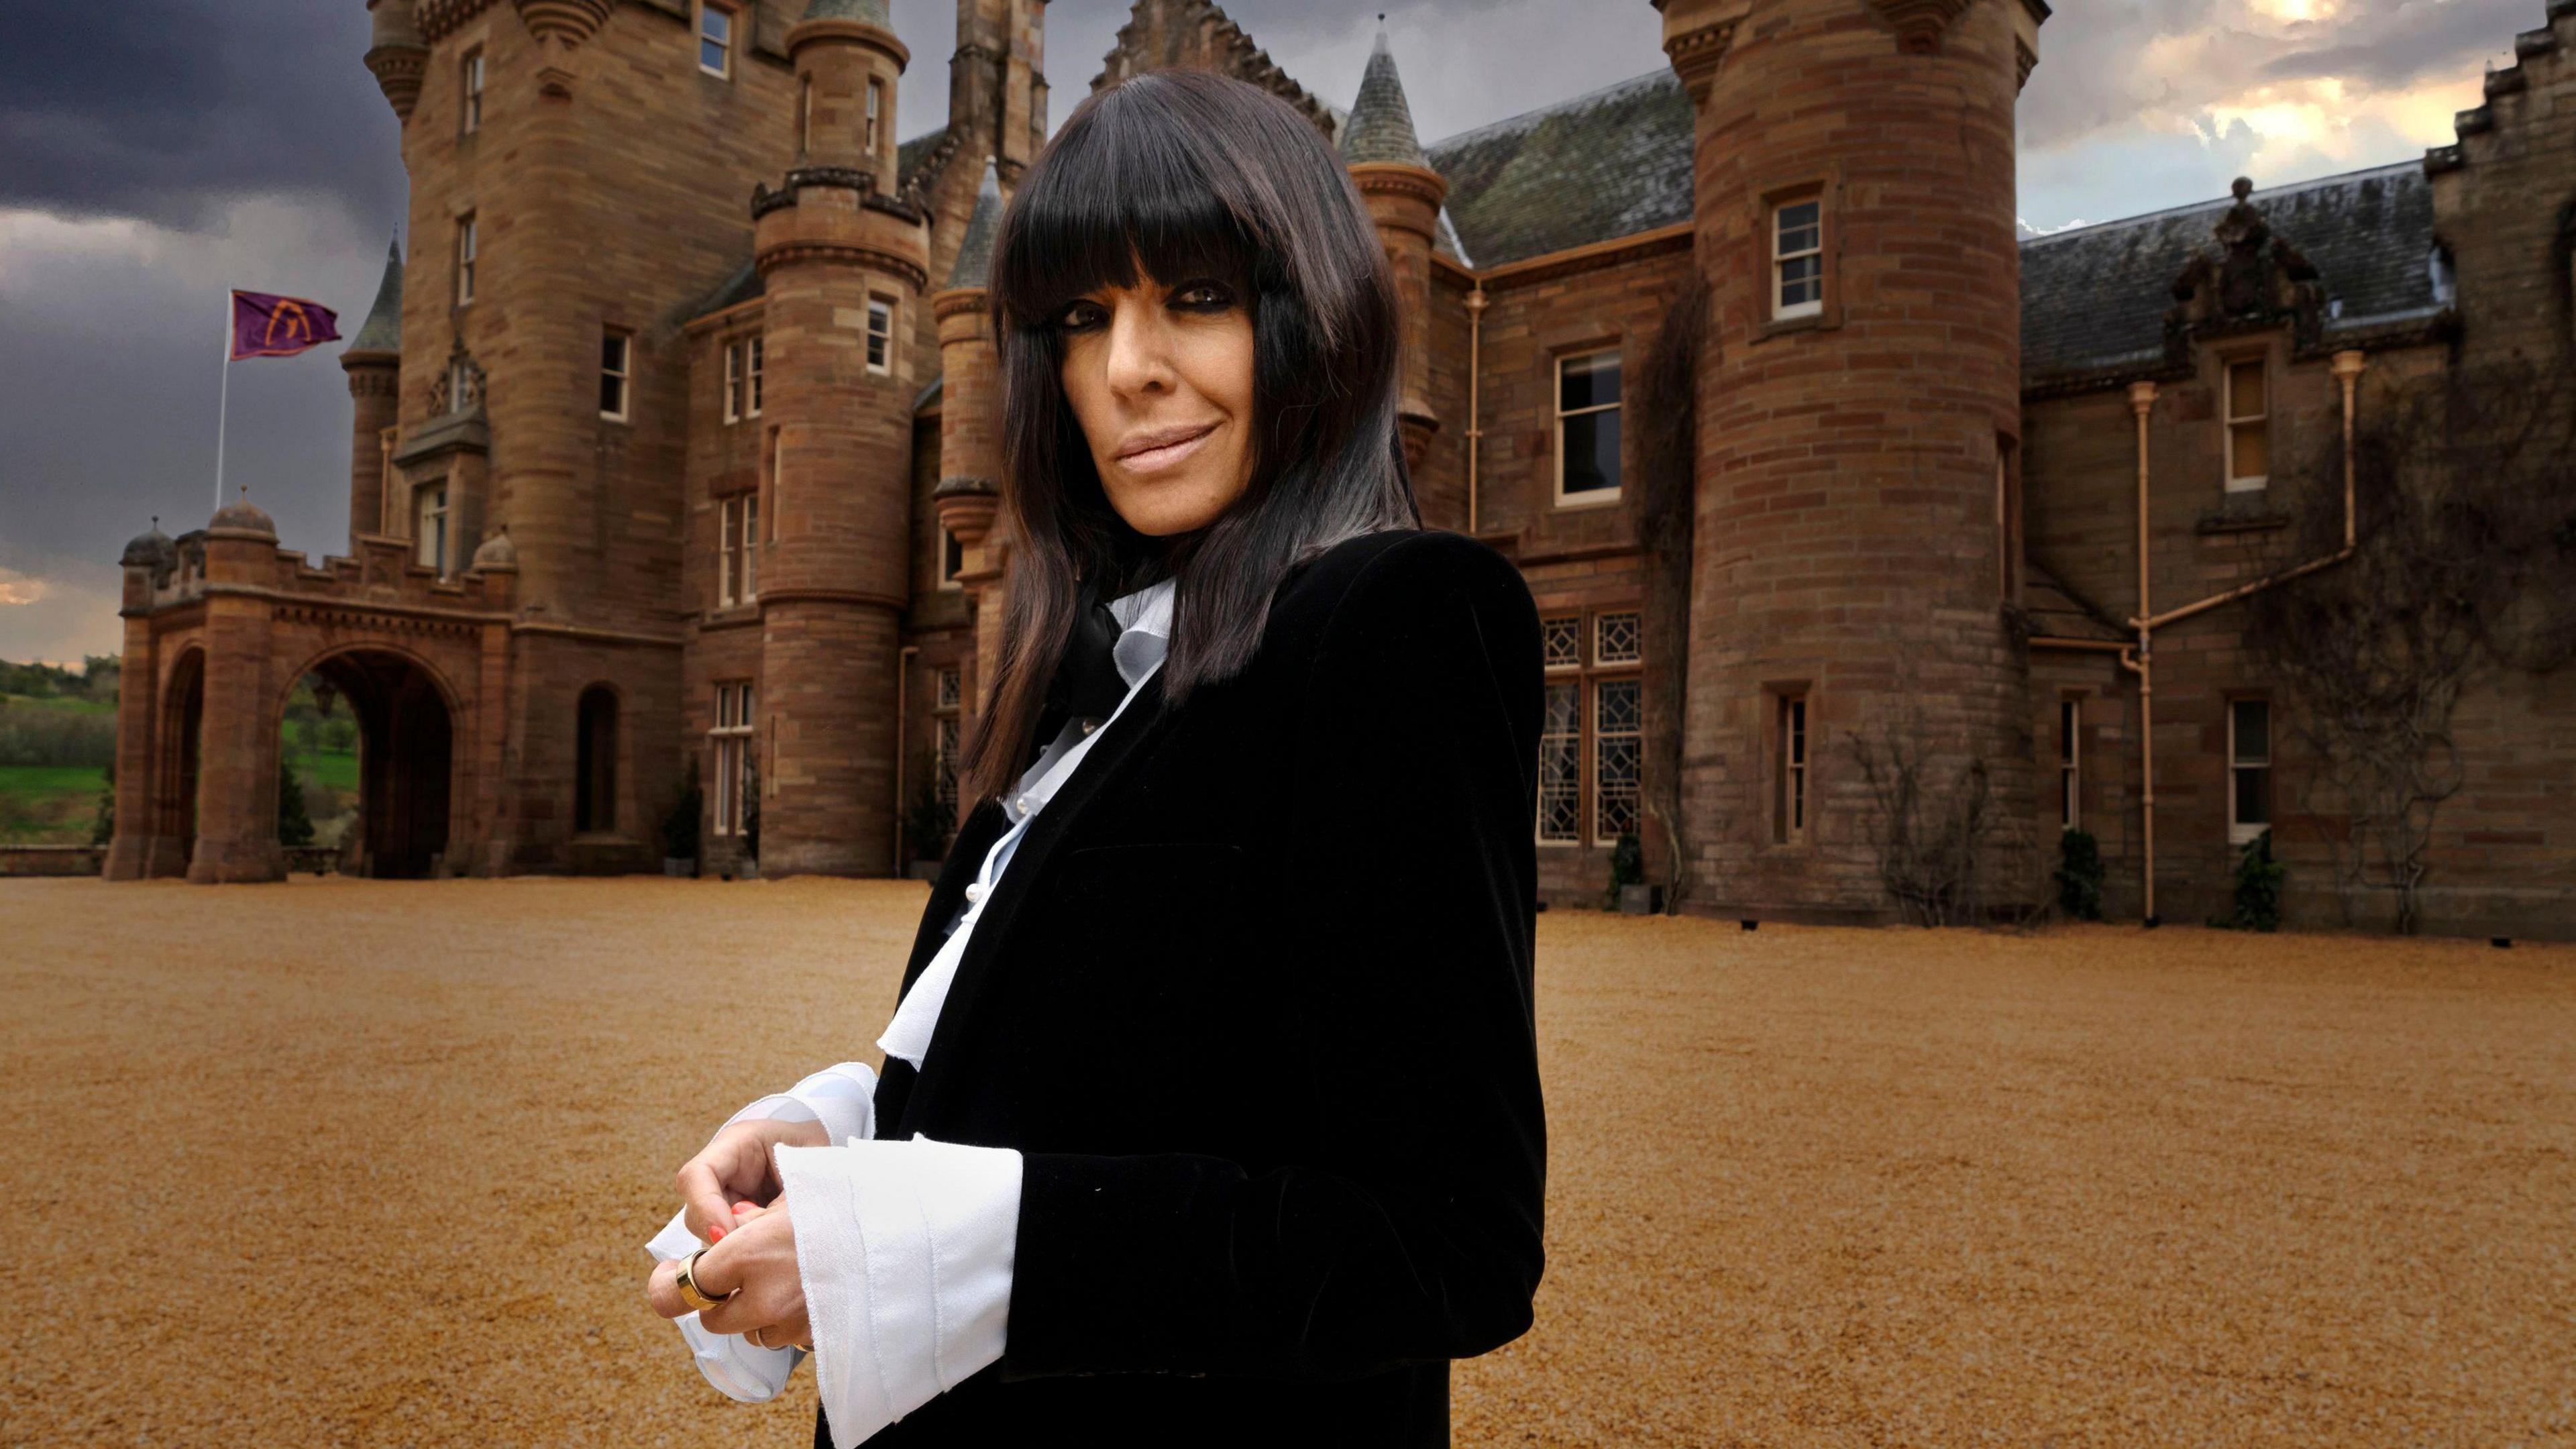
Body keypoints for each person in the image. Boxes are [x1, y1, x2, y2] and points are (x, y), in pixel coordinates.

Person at [645, 65, 1546, 1448]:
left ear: (1312, 318)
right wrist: (837, 1139)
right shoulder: (1096, 666)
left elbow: (1444, 1240)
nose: (1129, 367)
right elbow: (1119, 1072)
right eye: (1082, 317)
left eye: (1196, 296)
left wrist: (920, 1250)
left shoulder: (1396, 621)